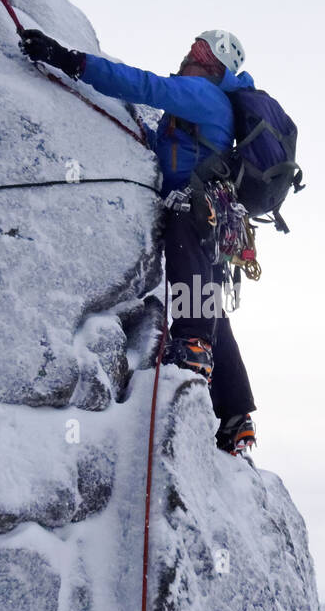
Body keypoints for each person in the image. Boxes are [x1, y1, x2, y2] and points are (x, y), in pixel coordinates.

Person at [18, 25, 257, 455]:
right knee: (212, 305)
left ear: (213, 63)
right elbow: (172, 146)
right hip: (212, 212)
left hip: (195, 206)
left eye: (198, 50)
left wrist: (73, 61)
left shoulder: (203, 95)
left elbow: (145, 85)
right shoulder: (203, 102)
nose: (189, 52)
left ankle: (193, 345)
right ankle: (236, 414)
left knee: (189, 270)